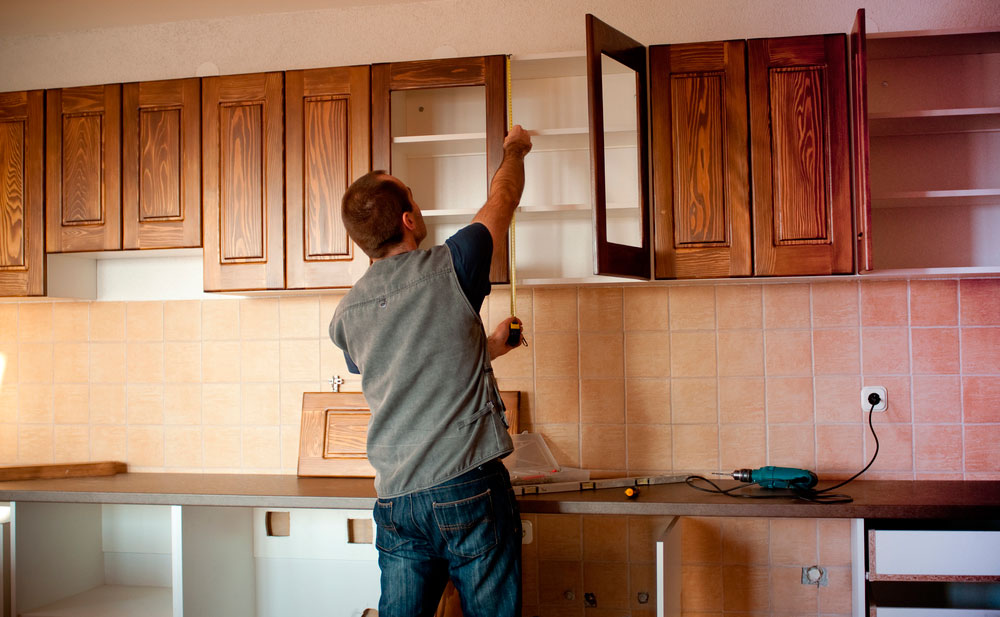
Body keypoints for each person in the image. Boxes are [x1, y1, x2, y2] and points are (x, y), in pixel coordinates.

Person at [329, 125, 533, 617]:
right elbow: (502, 199)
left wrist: (486, 349)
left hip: (397, 503)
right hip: (467, 488)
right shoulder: (454, 265)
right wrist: (515, 150)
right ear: (408, 219)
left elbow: (409, 365)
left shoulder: (346, 316)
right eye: (414, 200)